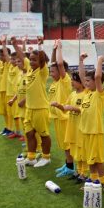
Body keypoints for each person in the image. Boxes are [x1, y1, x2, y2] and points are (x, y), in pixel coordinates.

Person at [12, 36, 52, 168]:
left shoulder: (42, 72)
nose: (32, 62)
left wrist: (40, 45)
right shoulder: (29, 69)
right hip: (29, 109)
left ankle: (46, 157)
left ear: (40, 61)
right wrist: (14, 44)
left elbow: (40, 59)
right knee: (29, 133)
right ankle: (31, 157)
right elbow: (22, 56)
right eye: (31, 59)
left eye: (35, 60)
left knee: (44, 134)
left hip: (40, 108)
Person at [78, 53, 104, 189]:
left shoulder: (99, 94)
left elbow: (97, 77)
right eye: (85, 81)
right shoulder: (87, 93)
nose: (86, 83)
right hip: (85, 131)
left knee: (98, 159)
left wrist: (99, 61)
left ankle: (103, 182)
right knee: (90, 158)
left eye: (88, 81)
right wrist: (81, 61)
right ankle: (93, 180)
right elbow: (81, 76)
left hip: (95, 131)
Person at [52, 71, 88, 182]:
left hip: (81, 126)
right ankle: (78, 171)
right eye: (72, 79)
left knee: (82, 150)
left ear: (81, 82)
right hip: (72, 126)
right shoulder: (72, 94)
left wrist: (72, 108)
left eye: (74, 80)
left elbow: (84, 110)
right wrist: (58, 105)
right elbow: (65, 108)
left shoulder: (86, 94)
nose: (72, 82)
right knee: (75, 150)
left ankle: (84, 173)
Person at [49, 40, 74, 176]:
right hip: (57, 117)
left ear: (61, 71)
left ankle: (72, 167)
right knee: (63, 145)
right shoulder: (56, 81)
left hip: (65, 118)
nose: (51, 73)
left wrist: (59, 48)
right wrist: (53, 50)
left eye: (53, 72)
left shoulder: (65, 80)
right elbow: (54, 64)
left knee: (68, 144)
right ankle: (68, 164)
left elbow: (58, 64)